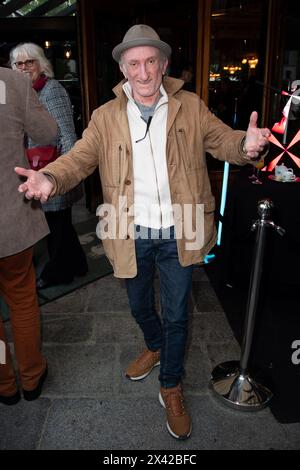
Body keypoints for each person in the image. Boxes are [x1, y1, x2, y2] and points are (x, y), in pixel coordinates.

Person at [14, 25, 270, 438]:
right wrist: (50, 178)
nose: (144, 72)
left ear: (164, 64)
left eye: (151, 61)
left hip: (179, 230)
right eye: (134, 63)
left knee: (177, 314)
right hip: (128, 230)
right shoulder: (106, 116)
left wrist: (247, 144)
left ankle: (170, 385)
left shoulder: (190, 105)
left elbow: (224, 140)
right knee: (138, 305)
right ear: (123, 68)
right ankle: (153, 345)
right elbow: (79, 157)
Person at [0, 66, 57, 405]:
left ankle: (4, 383)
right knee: (22, 299)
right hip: (10, 218)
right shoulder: (12, 81)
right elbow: (48, 131)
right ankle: (32, 378)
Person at [10, 43, 88, 289]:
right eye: (18, 64)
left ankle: (58, 273)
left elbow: (66, 133)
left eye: (29, 62)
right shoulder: (21, 92)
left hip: (53, 168)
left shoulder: (50, 90)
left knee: (55, 226)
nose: (24, 68)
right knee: (60, 224)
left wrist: (65, 172)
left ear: (40, 64)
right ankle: (78, 264)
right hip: (36, 167)